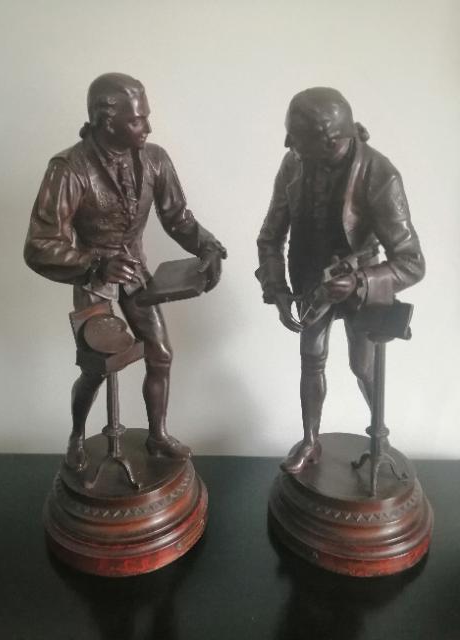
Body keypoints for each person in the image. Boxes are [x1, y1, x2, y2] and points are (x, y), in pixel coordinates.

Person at [25, 73, 226, 470]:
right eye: (136, 120)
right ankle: (76, 437)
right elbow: (39, 245)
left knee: (161, 354)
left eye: (145, 116)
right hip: (92, 279)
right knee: (96, 370)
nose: (147, 127)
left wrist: (208, 245)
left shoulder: (154, 159)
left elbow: (178, 217)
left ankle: (157, 436)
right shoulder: (69, 168)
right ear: (106, 120)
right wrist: (94, 264)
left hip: (135, 272)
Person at [256, 87, 424, 474]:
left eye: (298, 142)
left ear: (331, 140)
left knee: (363, 365)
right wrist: (276, 288)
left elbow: (412, 262)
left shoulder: (380, 175)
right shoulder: (294, 163)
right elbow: (270, 236)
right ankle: (310, 440)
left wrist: (360, 282)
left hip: (360, 284)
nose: (290, 148)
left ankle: (380, 438)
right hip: (310, 283)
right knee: (311, 358)